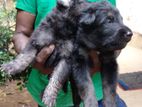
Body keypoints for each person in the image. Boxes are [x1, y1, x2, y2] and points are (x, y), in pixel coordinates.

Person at [13, 0, 126, 107]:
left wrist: (101, 60)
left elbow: (114, 35)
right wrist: (34, 58)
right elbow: (21, 33)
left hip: (97, 93)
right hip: (49, 92)